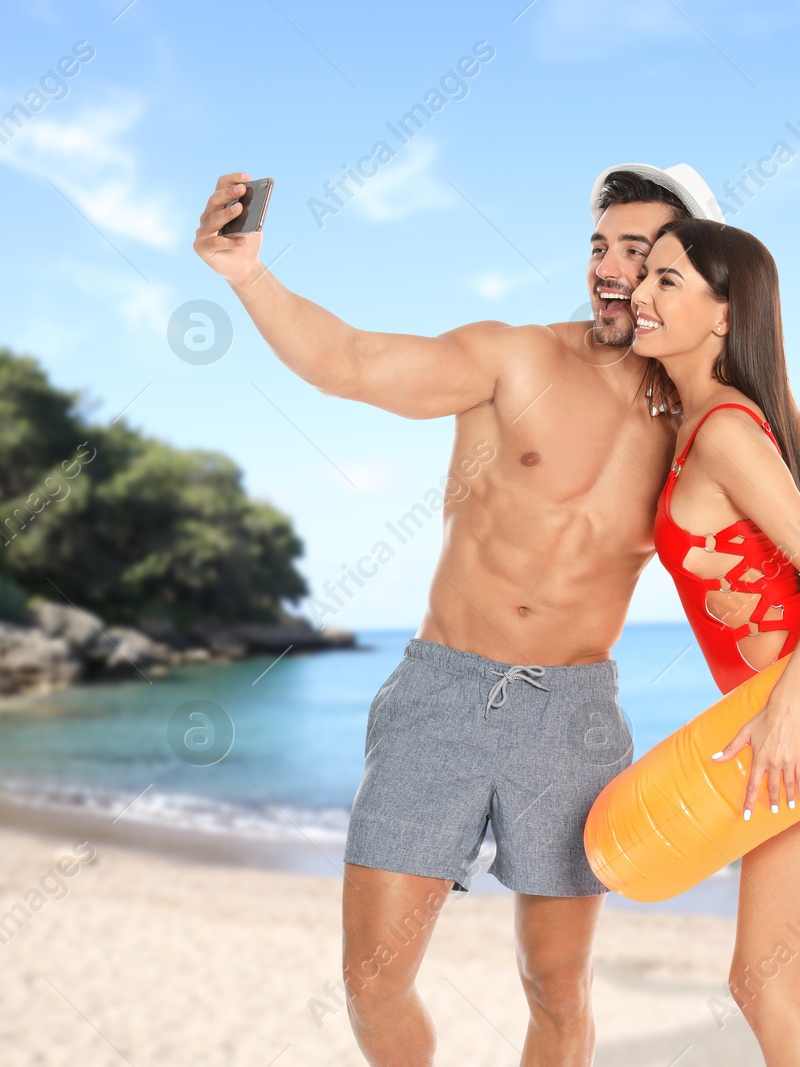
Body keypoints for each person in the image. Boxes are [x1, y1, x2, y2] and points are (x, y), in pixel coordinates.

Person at [193, 164, 720, 1066]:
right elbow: (350, 362)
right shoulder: (513, 357)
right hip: (444, 690)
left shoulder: (700, 423)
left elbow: (758, 563)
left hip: (577, 714)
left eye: (639, 252)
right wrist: (248, 273)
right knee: (372, 981)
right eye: (600, 246)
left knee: (558, 989)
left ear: (686, 272)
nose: (609, 267)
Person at [629, 217, 800, 1066]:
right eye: (646, 275)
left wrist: (785, 712)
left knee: (762, 980)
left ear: (723, 313)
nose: (641, 293)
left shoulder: (726, 434)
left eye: (667, 280)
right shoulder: (696, 420)